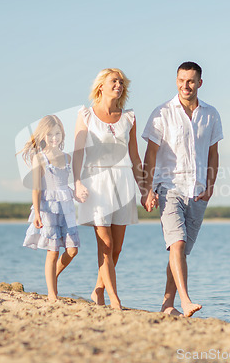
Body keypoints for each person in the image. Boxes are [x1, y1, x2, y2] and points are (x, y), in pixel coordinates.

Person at [141, 62, 223, 317]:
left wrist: (210, 187)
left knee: (180, 251)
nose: (185, 85)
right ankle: (185, 301)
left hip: (197, 192)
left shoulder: (210, 114)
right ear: (175, 80)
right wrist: (147, 189)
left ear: (199, 83)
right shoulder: (162, 112)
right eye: (181, 80)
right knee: (176, 244)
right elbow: (150, 155)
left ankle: (167, 304)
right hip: (169, 188)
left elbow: (213, 154)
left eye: (190, 81)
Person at [73, 68, 144, 310]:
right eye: (114, 81)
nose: (119, 85)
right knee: (105, 244)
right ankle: (115, 299)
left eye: (122, 82)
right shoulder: (86, 115)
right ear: (101, 86)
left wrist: (144, 188)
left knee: (117, 246)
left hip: (123, 183)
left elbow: (135, 156)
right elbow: (78, 153)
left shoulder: (129, 117)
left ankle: (98, 290)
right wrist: (77, 182)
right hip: (96, 183)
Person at [20, 115, 80, 301]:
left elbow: (74, 182)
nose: (54, 137)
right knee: (53, 251)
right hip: (48, 207)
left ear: (62, 134)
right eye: (50, 134)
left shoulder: (68, 157)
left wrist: (79, 193)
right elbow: (36, 188)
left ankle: (51, 277)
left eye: (57, 133)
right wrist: (37, 213)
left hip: (66, 207)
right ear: (43, 136)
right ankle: (52, 295)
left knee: (72, 250)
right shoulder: (40, 158)